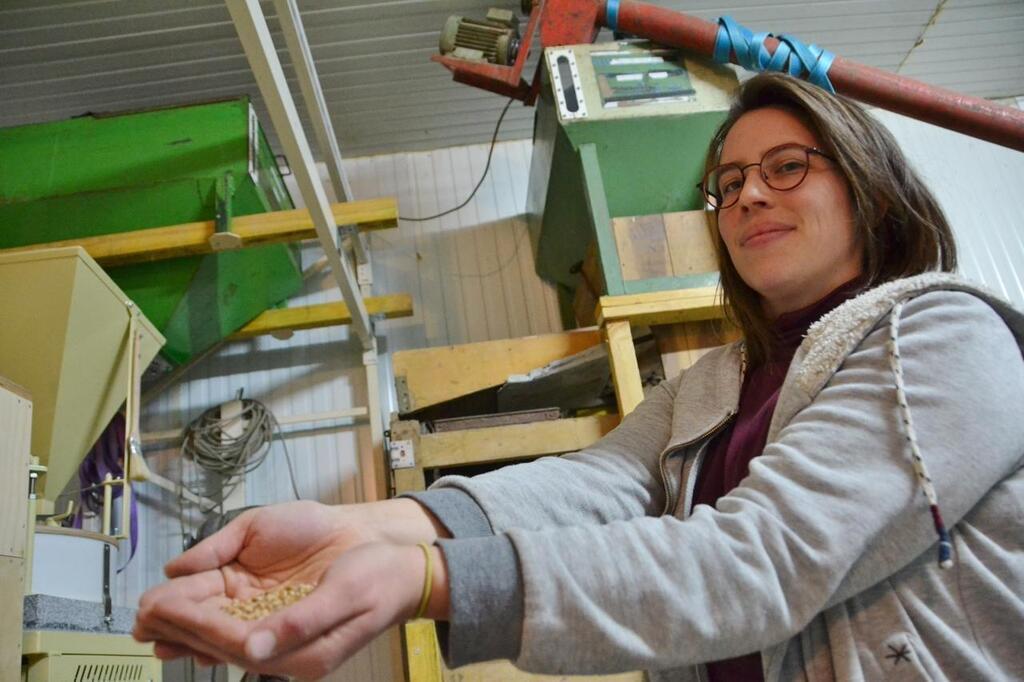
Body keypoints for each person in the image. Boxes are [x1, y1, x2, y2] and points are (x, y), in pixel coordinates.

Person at [134, 72, 1024, 681]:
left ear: (868, 184)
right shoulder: (719, 381)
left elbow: (763, 560)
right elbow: (591, 484)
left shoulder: (942, 333)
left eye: (787, 166)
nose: (748, 196)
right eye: (728, 183)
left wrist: (426, 578)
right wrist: (361, 527)